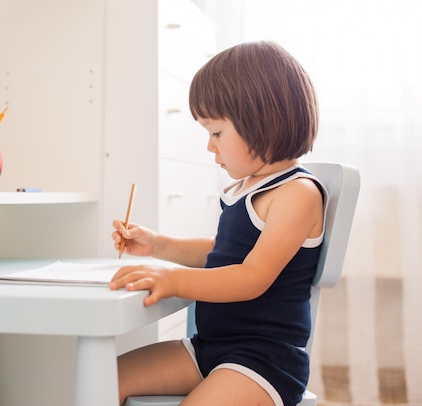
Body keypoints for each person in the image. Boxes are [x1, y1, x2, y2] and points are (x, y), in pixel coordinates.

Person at [109, 41, 326, 406]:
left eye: (216, 133)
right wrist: (158, 244)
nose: (210, 147)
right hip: (210, 347)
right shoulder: (245, 187)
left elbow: (252, 276)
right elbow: (220, 251)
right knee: (107, 379)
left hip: (263, 362)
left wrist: (175, 280)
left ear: (262, 123)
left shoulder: (297, 193)